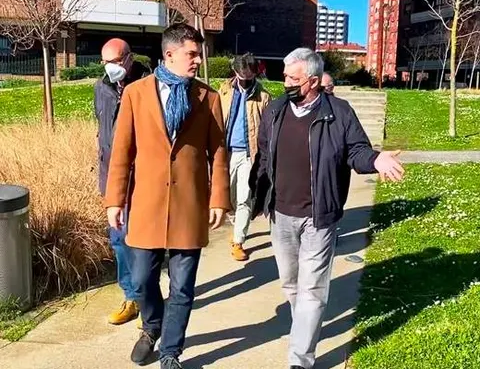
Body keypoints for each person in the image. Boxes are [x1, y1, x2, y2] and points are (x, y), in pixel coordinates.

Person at [250, 48, 404, 369]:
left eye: (293, 78)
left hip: (319, 217)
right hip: (280, 215)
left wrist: (376, 159)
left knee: (313, 290)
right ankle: (305, 328)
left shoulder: (339, 113)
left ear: (314, 81)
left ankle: (300, 359)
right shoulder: (276, 110)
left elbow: (357, 151)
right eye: (285, 76)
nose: (286, 82)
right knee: (291, 284)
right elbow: (264, 157)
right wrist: (255, 198)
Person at [104, 23, 230, 369]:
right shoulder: (136, 93)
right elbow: (122, 151)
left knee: (183, 287)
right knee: (143, 279)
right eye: (191, 54)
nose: (197, 61)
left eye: (198, 54)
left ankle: (171, 351)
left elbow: (218, 153)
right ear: (169, 54)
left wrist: (219, 198)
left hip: (189, 205)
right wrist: (115, 199)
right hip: (146, 205)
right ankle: (151, 327)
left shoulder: (208, 97)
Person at [94, 38, 149, 326]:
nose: (110, 68)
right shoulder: (101, 88)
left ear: (128, 58)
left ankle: (146, 297)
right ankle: (131, 296)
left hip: (141, 178)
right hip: (110, 177)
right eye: (105, 62)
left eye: (114, 62)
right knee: (118, 241)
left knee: (141, 243)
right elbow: (101, 130)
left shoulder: (148, 86)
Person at [218, 53, 271, 261]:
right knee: (227, 197)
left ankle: (238, 240)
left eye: (250, 77)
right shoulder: (223, 92)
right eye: (242, 76)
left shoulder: (263, 97)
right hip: (226, 153)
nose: (246, 81)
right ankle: (237, 222)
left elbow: (267, 129)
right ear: (235, 72)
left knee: (244, 198)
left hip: (250, 155)